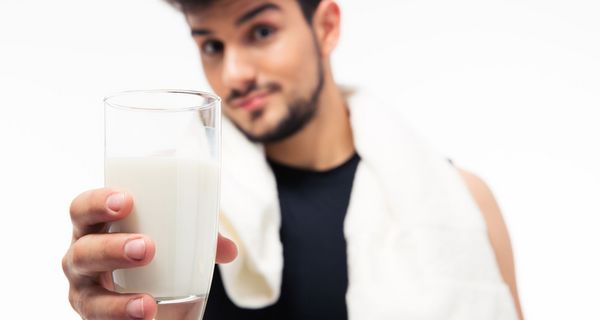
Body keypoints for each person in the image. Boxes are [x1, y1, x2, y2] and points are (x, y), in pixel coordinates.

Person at [62, 0, 525, 319]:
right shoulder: (182, 212)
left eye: (260, 32)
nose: (234, 73)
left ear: (326, 26)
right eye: (211, 46)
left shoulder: (460, 200)